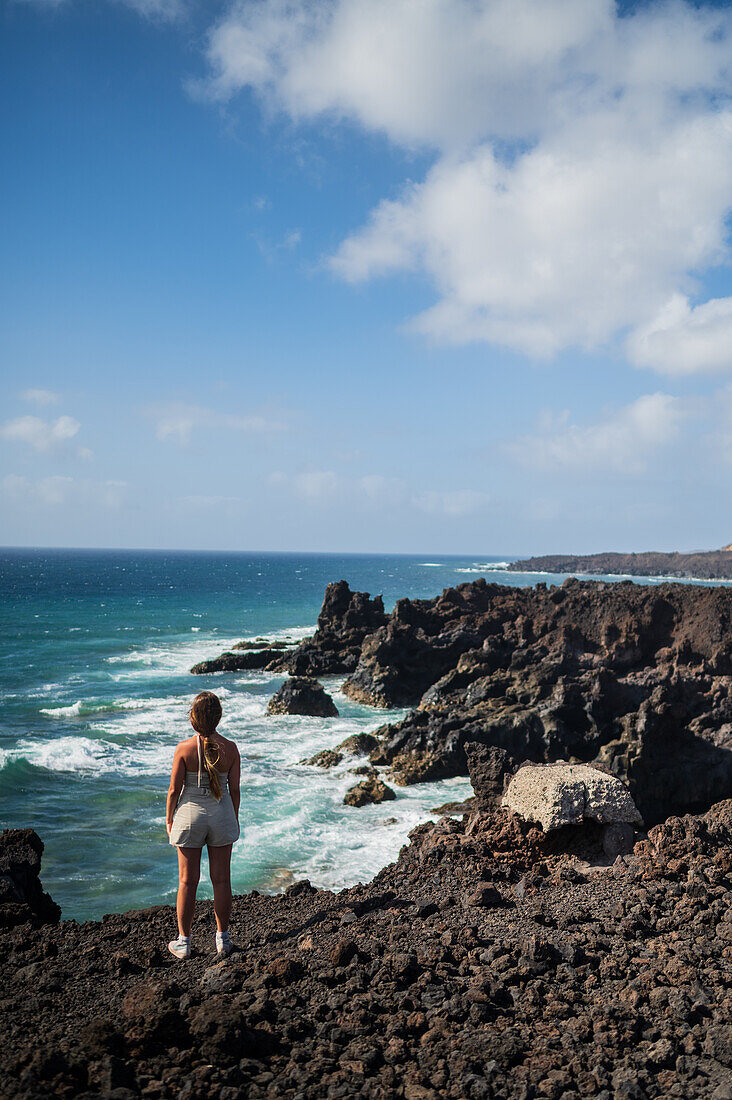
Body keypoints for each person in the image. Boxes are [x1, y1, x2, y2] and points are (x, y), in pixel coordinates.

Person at [166, 690, 241, 960]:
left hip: (189, 815)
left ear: (193, 718)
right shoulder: (231, 748)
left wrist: (169, 819)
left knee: (187, 881)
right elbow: (234, 791)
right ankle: (222, 939)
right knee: (221, 879)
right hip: (221, 814)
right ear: (218, 718)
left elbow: (175, 789)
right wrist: (232, 816)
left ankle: (184, 942)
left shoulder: (184, 748)